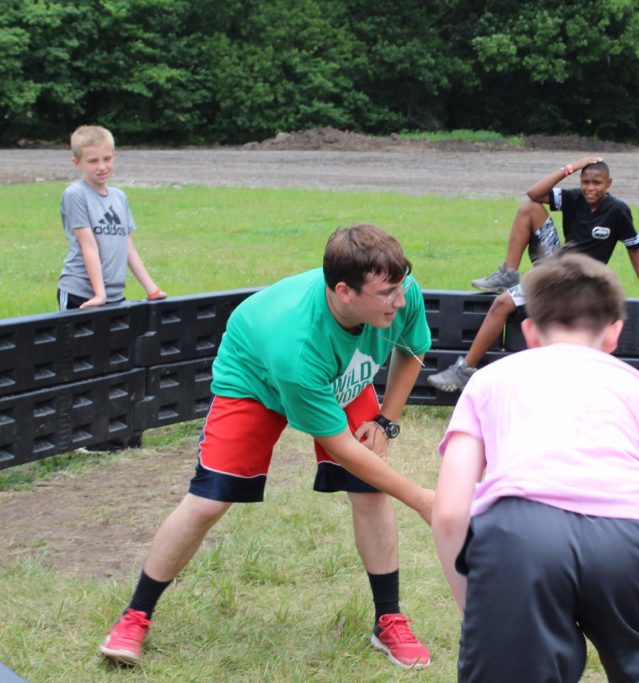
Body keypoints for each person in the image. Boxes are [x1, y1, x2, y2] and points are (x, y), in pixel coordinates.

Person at [99, 224, 435, 669]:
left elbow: (412, 349)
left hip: (334, 373)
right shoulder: (295, 347)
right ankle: (135, 616)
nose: (400, 299)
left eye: (400, 287)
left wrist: (385, 420)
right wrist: (422, 500)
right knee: (207, 501)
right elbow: (340, 446)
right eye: (388, 293)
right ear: (344, 291)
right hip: (253, 378)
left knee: (369, 490)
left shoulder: (401, 294)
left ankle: (388, 620)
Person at [433, 252, 639, 682]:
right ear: (614, 333)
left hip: (520, 540)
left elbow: (449, 514)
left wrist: (480, 609)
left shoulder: (488, 380)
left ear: (529, 331)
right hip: (632, 541)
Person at [427, 157, 639, 393]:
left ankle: (463, 370)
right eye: (585, 181)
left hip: (576, 279)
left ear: (609, 184)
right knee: (530, 208)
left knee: (502, 303)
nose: (590, 188)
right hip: (557, 261)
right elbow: (534, 193)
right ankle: (508, 273)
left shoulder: (618, 211)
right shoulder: (573, 198)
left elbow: (635, 251)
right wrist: (571, 167)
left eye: (597, 183)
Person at [58, 125, 166, 311]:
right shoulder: (75, 194)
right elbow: (88, 245)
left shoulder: (119, 197)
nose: (102, 167)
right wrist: (99, 294)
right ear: (77, 162)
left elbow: (128, 248)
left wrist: (152, 289)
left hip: (114, 294)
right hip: (81, 293)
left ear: (113, 156)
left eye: (106, 159)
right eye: (93, 161)